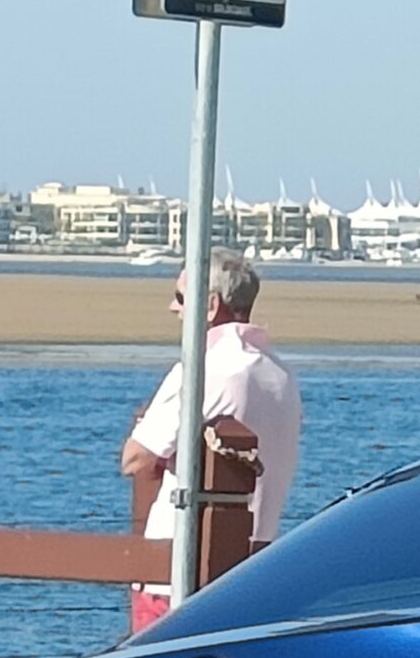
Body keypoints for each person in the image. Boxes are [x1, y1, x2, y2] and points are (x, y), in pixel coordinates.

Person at [121, 249, 302, 632]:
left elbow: (136, 458)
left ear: (211, 305)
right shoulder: (281, 375)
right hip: (252, 569)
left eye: (181, 298)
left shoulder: (205, 368)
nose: (173, 308)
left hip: (176, 573)